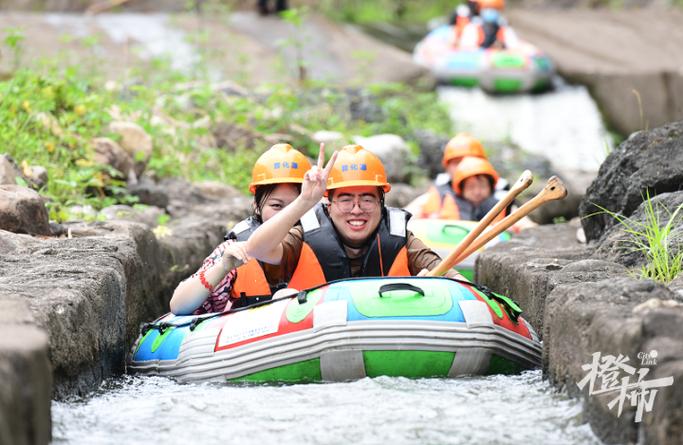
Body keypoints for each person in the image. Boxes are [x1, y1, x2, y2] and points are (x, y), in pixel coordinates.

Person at [245, 144, 465, 290]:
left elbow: (456, 279)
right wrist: (304, 201)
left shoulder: (400, 238)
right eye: (346, 199)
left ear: (381, 203)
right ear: (329, 205)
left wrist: (436, 286)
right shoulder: (304, 235)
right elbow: (257, 249)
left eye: (367, 199)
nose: (357, 209)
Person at [169, 143, 311, 315]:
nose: (286, 215)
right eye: (276, 206)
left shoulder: (323, 239)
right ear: (257, 207)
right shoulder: (235, 249)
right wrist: (222, 267)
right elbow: (178, 306)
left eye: (295, 205)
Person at [406, 133, 489, 220]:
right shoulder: (431, 197)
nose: (464, 166)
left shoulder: (500, 198)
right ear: (447, 167)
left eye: (470, 160)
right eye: (457, 162)